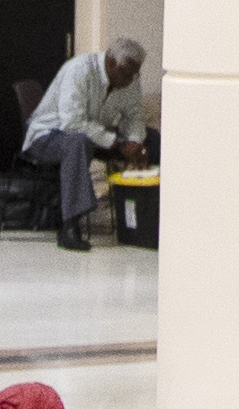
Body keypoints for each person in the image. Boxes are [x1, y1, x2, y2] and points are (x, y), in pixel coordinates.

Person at [21, 38, 151, 250]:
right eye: (126, 73)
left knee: (152, 138)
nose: (131, 80)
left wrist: (135, 143)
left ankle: (144, 221)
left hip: (93, 135)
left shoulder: (131, 79)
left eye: (135, 74)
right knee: (78, 142)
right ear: (110, 63)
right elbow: (72, 123)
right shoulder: (79, 70)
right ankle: (70, 226)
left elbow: (134, 116)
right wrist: (117, 145)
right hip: (47, 136)